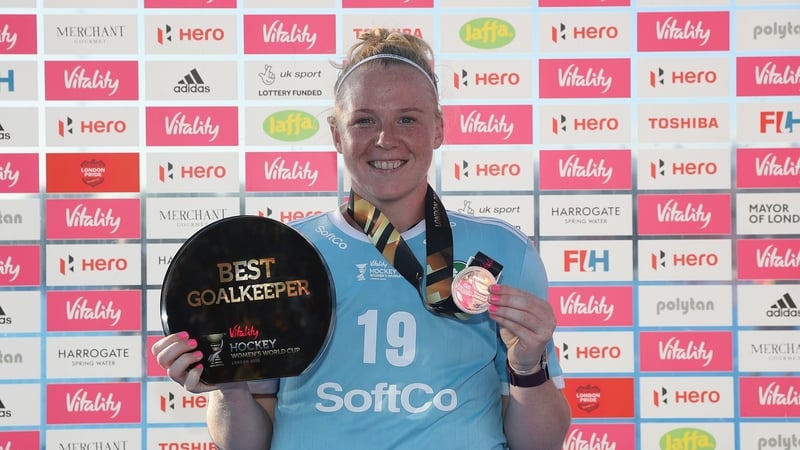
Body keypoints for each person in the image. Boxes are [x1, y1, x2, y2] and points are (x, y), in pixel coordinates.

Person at [152, 28, 571, 450]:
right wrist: (226, 385)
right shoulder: (284, 256)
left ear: (439, 130)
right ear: (337, 134)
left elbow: (540, 444)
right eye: (364, 120)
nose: (385, 138)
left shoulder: (504, 253)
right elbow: (246, 444)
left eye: (407, 118)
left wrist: (527, 366)